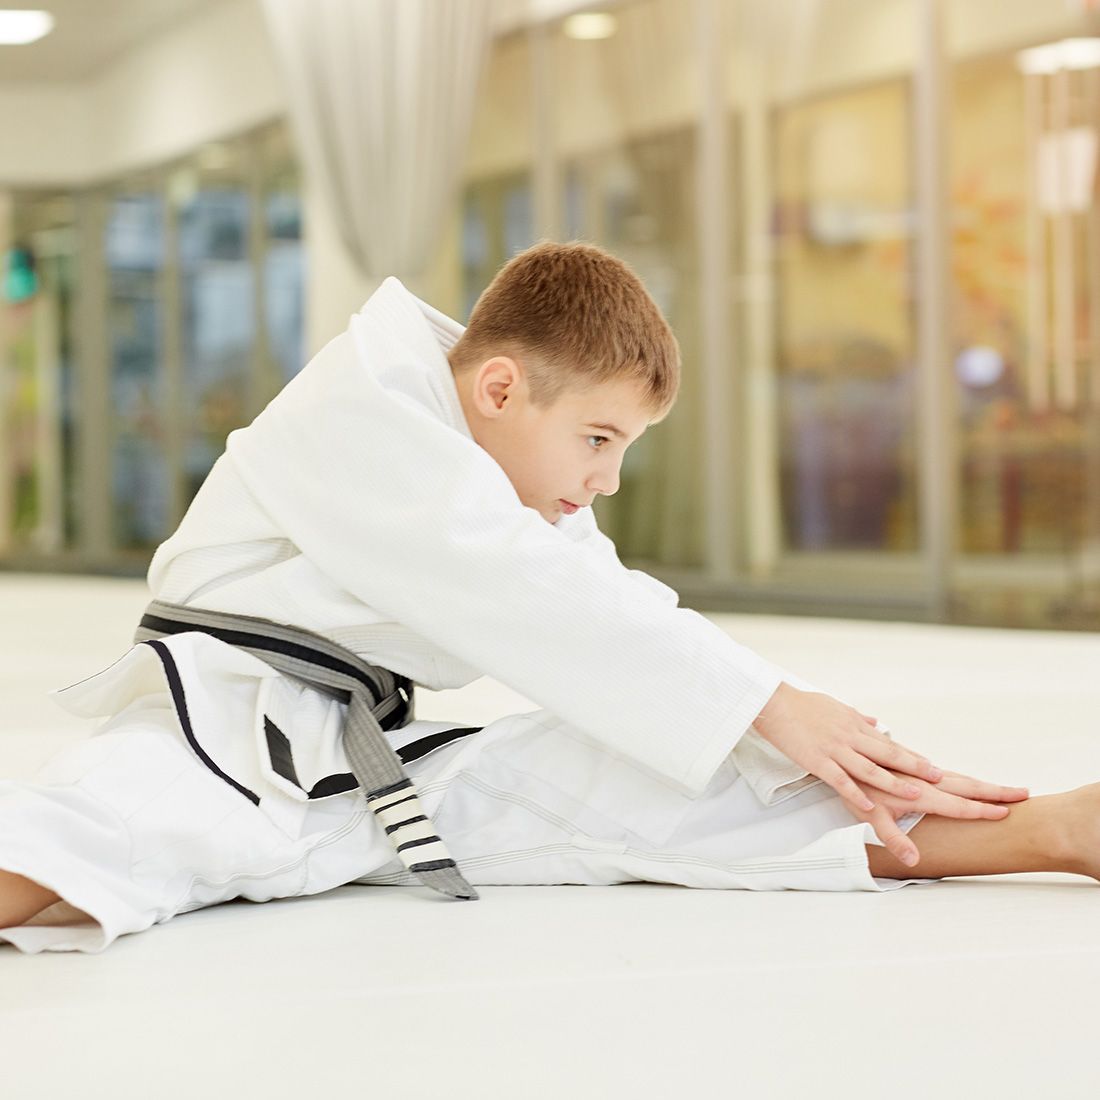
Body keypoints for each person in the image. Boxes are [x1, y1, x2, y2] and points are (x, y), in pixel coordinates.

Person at [0, 241, 1086, 956]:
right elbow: (536, 597)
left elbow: (599, 605)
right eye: (598, 439)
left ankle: (1048, 828)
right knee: (103, 825)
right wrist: (766, 694)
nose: (605, 478)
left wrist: (769, 713)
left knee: (648, 773)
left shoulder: (501, 469)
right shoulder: (364, 414)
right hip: (211, 738)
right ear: (501, 386)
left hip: (359, 767)